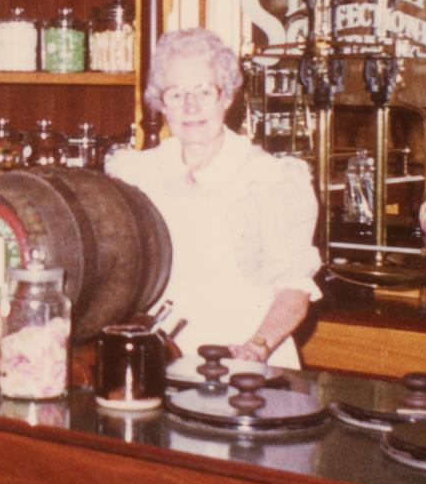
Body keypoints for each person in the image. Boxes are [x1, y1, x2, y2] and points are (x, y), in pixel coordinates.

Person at [106, 28, 320, 367]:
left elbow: (293, 292)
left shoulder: (268, 178)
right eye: (176, 94)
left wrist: (256, 347)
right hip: (161, 362)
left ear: (227, 96)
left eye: (204, 91)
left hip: (247, 365)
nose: (191, 106)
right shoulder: (135, 173)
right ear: (160, 102)